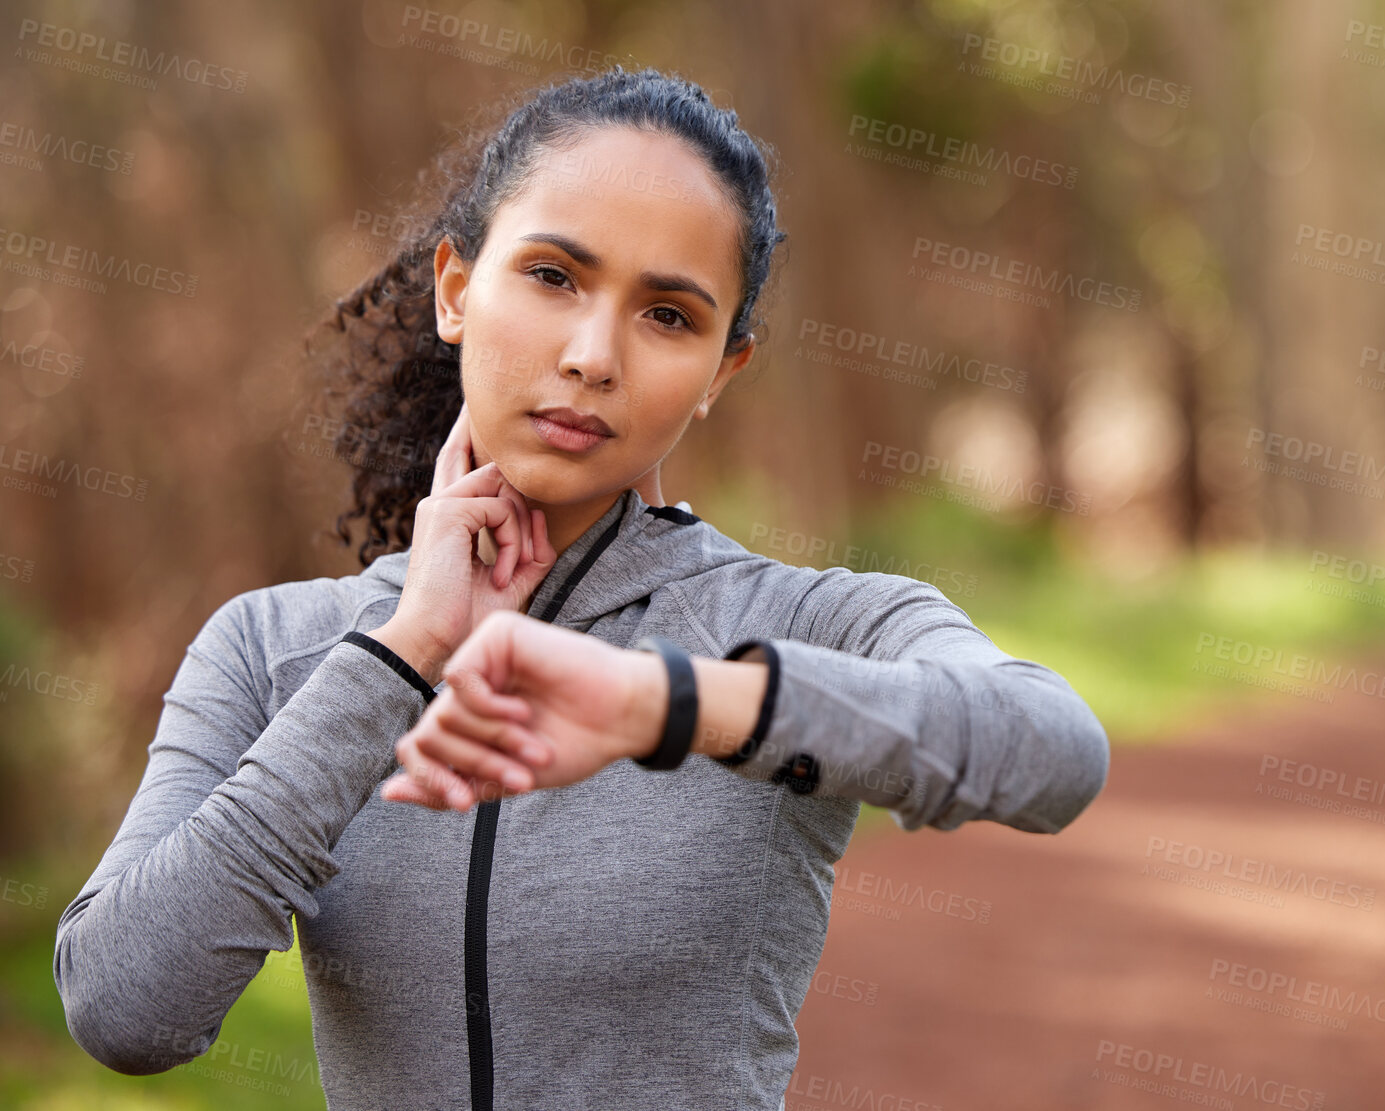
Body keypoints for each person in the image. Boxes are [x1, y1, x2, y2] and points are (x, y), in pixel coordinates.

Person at [52, 65, 1111, 1111]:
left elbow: (1053, 749)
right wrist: (400, 653)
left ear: (720, 375)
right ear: (457, 290)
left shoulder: (795, 621)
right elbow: (125, 1009)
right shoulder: (272, 647)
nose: (593, 355)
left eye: (668, 316)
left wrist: (672, 704)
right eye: (553, 276)